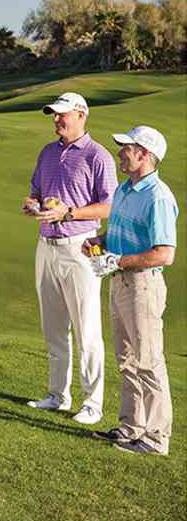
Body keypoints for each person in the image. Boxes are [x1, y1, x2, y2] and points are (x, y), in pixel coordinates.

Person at [22, 92, 118, 425]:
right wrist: (32, 203)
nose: (56, 119)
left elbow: (109, 206)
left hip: (79, 248)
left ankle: (93, 403)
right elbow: (35, 190)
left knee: (87, 329)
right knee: (54, 327)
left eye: (62, 114)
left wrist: (70, 212)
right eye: (53, 115)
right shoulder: (48, 152)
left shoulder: (98, 156)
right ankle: (57, 395)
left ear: (81, 115)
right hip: (45, 247)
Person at [85, 126, 178, 455]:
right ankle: (130, 428)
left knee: (149, 361)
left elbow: (164, 253)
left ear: (145, 155)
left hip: (143, 285)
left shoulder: (159, 197)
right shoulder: (125, 189)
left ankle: (155, 438)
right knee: (126, 359)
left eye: (128, 148)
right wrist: (101, 241)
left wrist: (119, 260)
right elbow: (120, 229)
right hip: (121, 281)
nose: (121, 152)